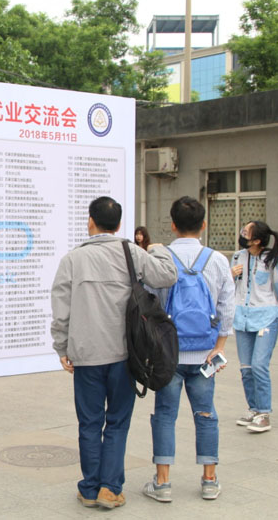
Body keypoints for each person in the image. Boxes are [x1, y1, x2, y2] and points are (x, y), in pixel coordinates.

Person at [51, 196, 177, 510]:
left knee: (89, 423)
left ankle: (89, 489)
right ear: (119, 224)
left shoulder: (72, 259)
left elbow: (61, 310)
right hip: (124, 354)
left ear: (90, 222)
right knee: (117, 421)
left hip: (86, 355)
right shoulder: (130, 252)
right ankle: (110, 489)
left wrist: (61, 346)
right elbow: (167, 275)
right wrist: (158, 249)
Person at [142, 196, 234, 503]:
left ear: (172, 225)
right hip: (205, 354)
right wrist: (219, 346)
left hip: (169, 354)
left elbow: (149, 305)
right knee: (206, 414)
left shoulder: (161, 259)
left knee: (165, 415)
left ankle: (162, 483)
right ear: (203, 224)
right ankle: (209, 480)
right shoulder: (217, 260)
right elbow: (227, 307)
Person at [230, 221, 278, 433]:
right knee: (246, 368)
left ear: (257, 240)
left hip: (266, 317)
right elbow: (229, 287)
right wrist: (231, 275)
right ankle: (254, 408)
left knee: (259, 365)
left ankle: (264, 413)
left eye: (246, 232)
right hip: (242, 317)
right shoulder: (237, 256)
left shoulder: (271, 259)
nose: (242, 234)